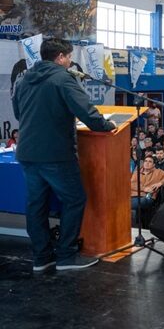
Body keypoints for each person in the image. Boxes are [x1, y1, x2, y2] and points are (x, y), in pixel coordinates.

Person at [12, 38, 116, 272]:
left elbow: (19, 113)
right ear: (60, 57)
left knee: (36, 205)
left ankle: (41, 258)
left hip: (28, 153)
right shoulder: (62, 78)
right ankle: (66, 256)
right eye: (68, 57)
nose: (70, 62)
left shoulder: (25, 78)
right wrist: (106, 125)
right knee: (75, 199)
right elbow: (85, 110)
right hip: (56, 154)